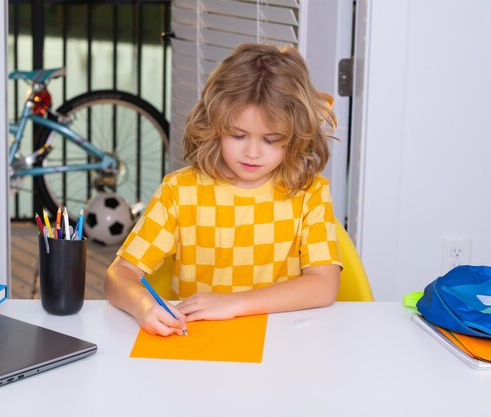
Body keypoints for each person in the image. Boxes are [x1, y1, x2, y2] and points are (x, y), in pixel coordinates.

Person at [104, 43, 342, 336]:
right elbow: (118, 275)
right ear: (214, 125)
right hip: (197, 342)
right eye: (238, 135)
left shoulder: (310, 192)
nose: (253, 152)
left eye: (271, 139)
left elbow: (324, 285)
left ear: (296, 135)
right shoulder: (180, 191)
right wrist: (143, 305)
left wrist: (234, 304)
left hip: (281, 342)